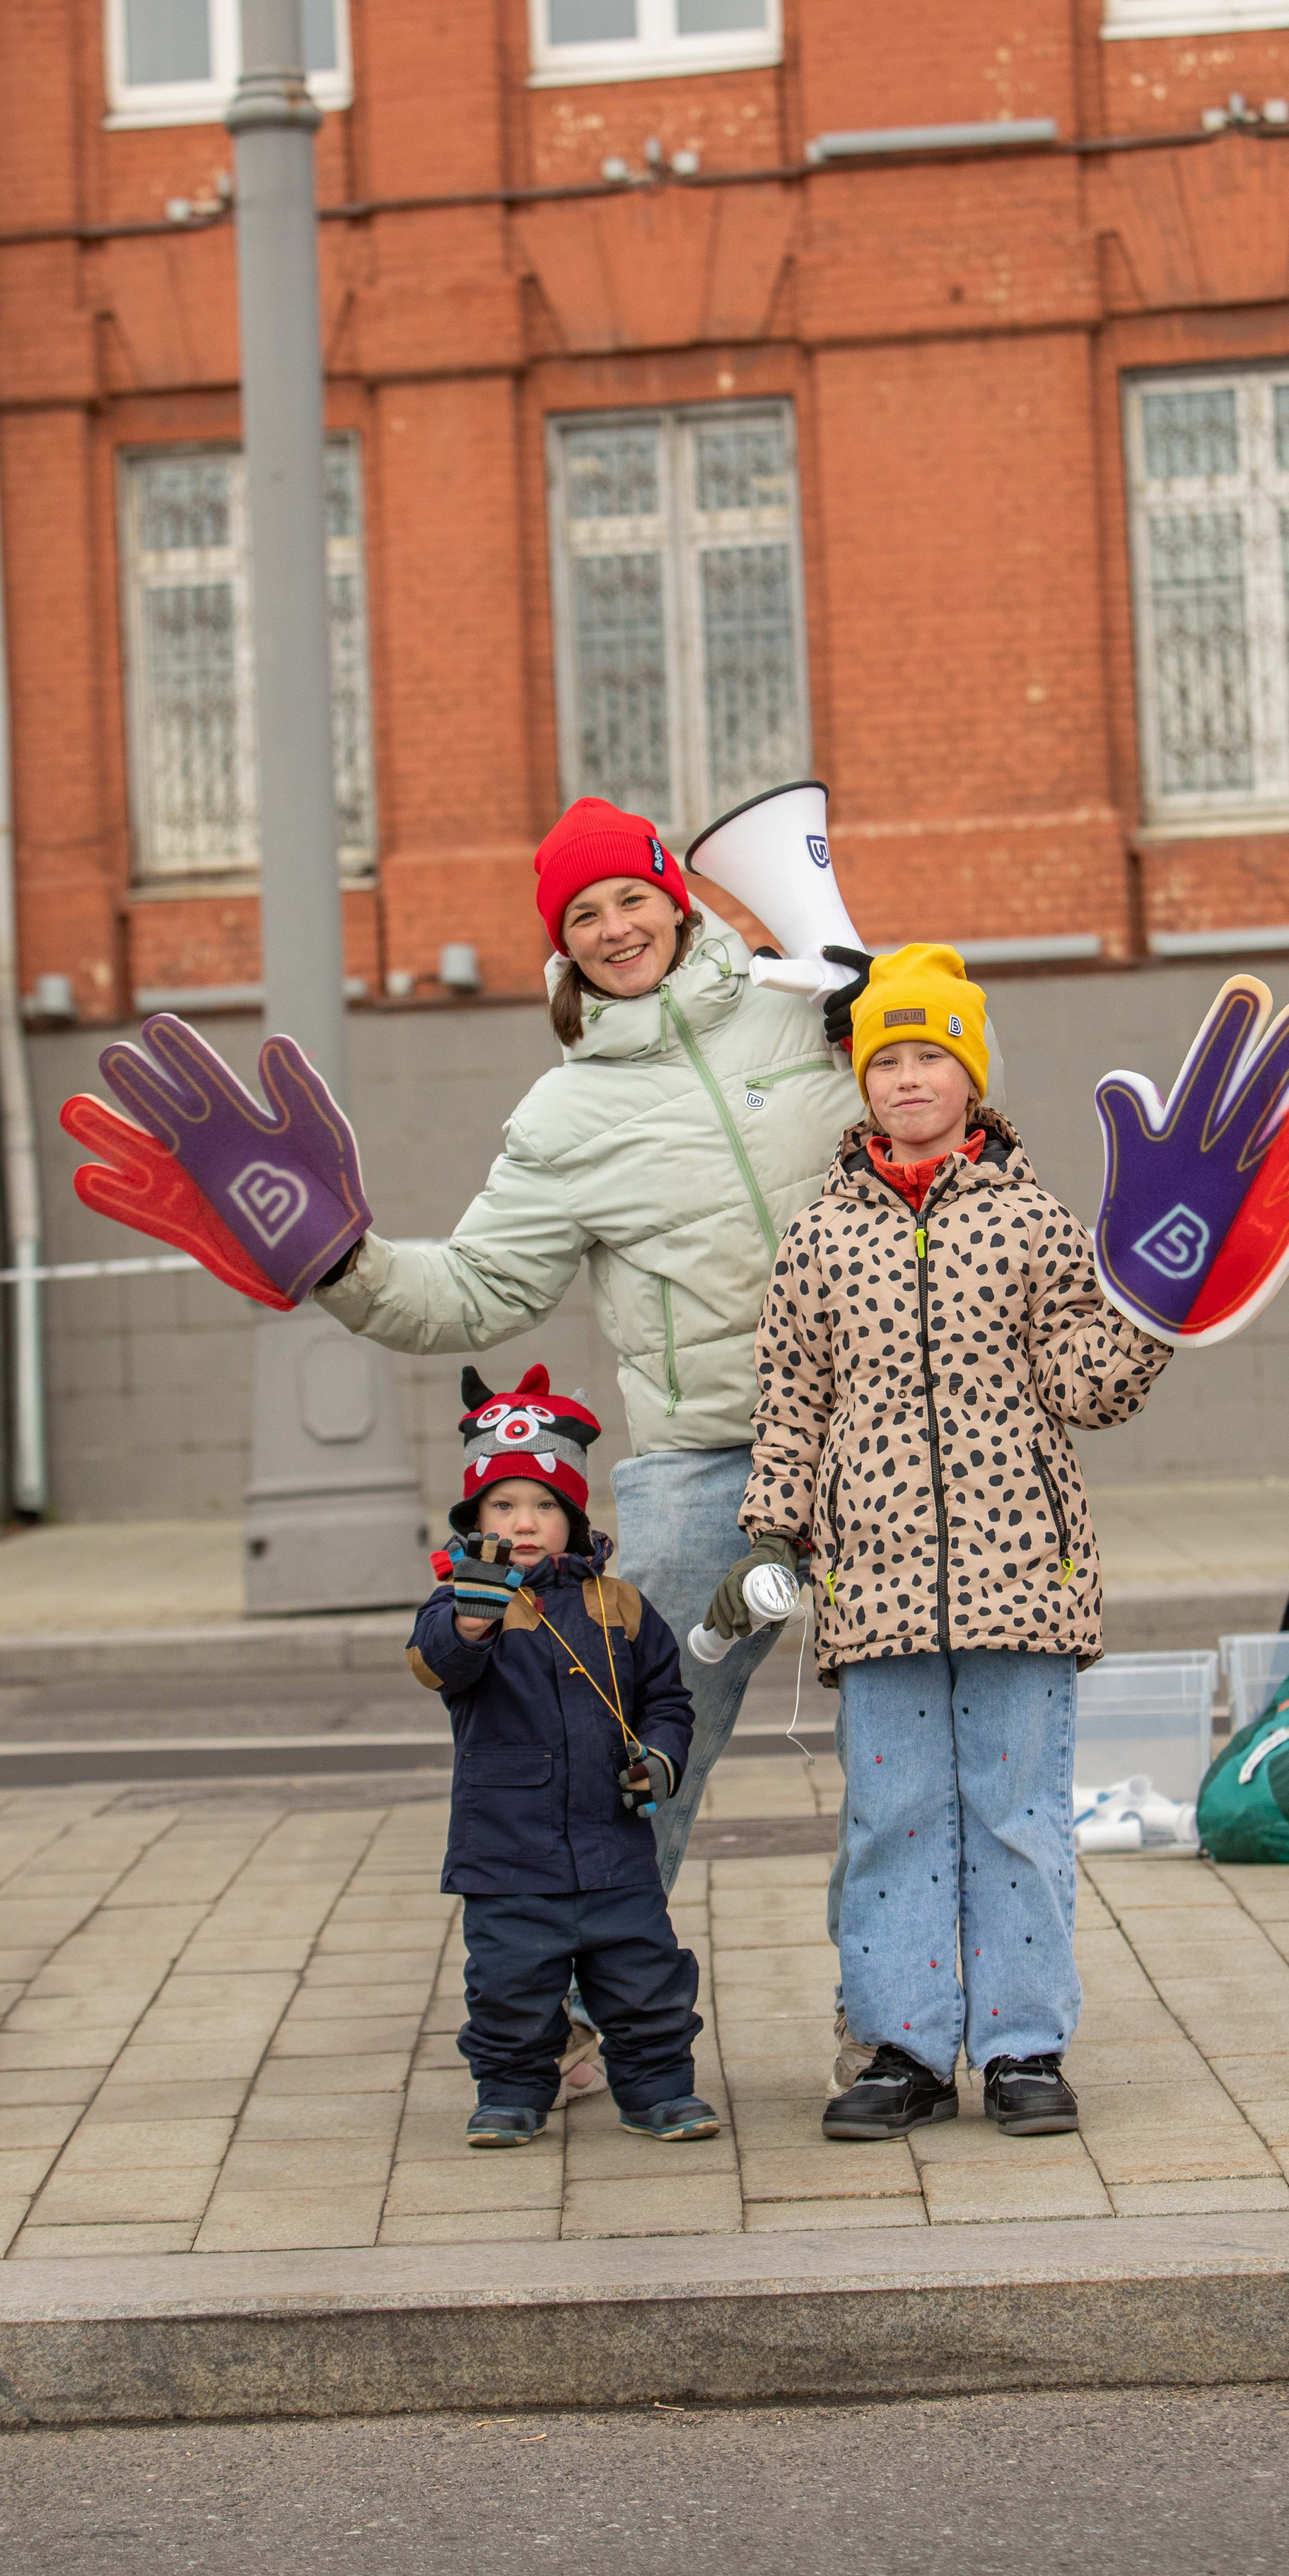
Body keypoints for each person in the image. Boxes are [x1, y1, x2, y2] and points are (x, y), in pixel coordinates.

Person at [316, 796, 873, 1898]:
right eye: (583, 916)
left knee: (904, 1761)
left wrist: (895, 1009)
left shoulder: (805, 1008)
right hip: (710, 1459)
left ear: (676, 899)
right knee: (629, 1743)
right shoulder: (562, 1116)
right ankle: (580, 1999)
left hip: (884, 1434)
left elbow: (948, 1112)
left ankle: (890, 2027)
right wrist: (341, 1263)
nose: (615, 929)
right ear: (559, 945)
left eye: (633, 898)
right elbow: (475, 1291)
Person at [706, 944, 1173, 2142]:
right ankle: (903, 2045)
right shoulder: (821, 1235)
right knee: (893, 1816)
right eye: (887, 1060)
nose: (908, 1079)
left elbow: (1085, 1382)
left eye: (931, 1057)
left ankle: (1024, 2043)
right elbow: (793, 1392)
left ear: (971, 1074)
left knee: (1016, 1813)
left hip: (1024, 1570)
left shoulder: (1035, 1220)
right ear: (861, 1082)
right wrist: (777, 1522)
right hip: (878, 1579)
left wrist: (1156, 1320)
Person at [407, 1363, 716, 2148]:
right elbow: (438, 1664)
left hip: (612, 1841)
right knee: (510, 1985)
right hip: (507, 1851)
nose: (524, 1520)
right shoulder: (462, 1602)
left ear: (573, 1518)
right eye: (504, 1504)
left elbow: (667, 1700)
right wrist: (469, 1625)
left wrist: (660, 1756)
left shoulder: (615, 1604)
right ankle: (510, 2090)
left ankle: (657, 2088)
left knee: (644, 1979)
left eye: (545, 1505)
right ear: (475, 1514)